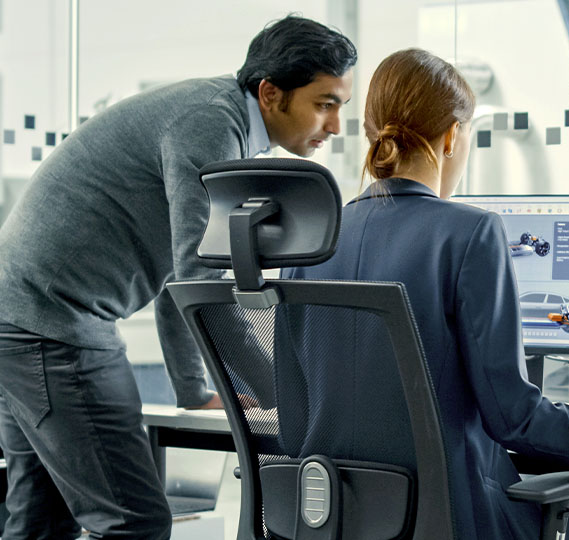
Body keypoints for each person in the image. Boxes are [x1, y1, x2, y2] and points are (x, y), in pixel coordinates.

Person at [282, 48, 569, 540]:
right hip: (451, 516)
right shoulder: (470, 232)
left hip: (329, 516)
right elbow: (514, 419)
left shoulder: (314, 240)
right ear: (453, 136)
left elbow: (291, 426)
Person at [0, 15, 355, 539]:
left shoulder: (219, 119)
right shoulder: (211, 124)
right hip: (53, 324)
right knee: (134, 523)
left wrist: (195, 389)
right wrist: (282, 397)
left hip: (26, 318)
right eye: (324, 104)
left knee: (39, 521)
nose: (334, 126)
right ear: (272, 94)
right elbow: (200, 279)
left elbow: (182, 272)